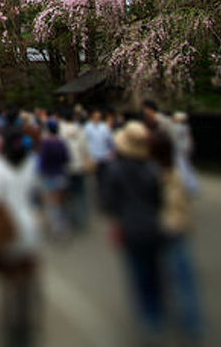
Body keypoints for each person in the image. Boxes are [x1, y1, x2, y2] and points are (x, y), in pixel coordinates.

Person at [103, 120, 165, 345]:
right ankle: (157, 316)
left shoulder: (116, 170)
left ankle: (148, 322)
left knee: (139, 275)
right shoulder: (152, 168)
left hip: (130, 226)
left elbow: (109, 202)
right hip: (154, 226)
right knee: (155, 272)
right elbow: (159, 199)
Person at [0, 128, 43, 346]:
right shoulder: (32, 164)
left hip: (7, 230)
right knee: (27, 277)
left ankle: (13, 327)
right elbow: (37, 193)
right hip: (30, 227)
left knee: (10, 279)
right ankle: (27, 324)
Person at [149, 129, 206, 344]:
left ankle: (158, 321)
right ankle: (193, 322)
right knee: (184, 276)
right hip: (178, 225)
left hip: (156, 226)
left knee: (159, 274)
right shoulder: (178, 165)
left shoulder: (148, 168)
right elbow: (193, 187)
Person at [36, 117, 70, 238]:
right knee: (61, 202)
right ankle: (63, 226)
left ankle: (56, 228)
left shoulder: (45, 143)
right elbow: (67, 158)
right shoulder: (62, 142)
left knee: (51, 203)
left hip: (48, 175)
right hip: (61, 173)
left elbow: (42, 160)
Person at [84, 108, 114, 209]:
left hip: (104, 156)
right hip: (93, 156)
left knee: (104, 179)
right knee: (95, 179)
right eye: (95, 116)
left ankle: (104, 200)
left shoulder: (104, 127)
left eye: (98, 116)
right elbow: (85, 142)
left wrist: (111, 153)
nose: (97, 117)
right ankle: (99, 201)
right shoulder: (87, 127)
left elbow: (110, 141)